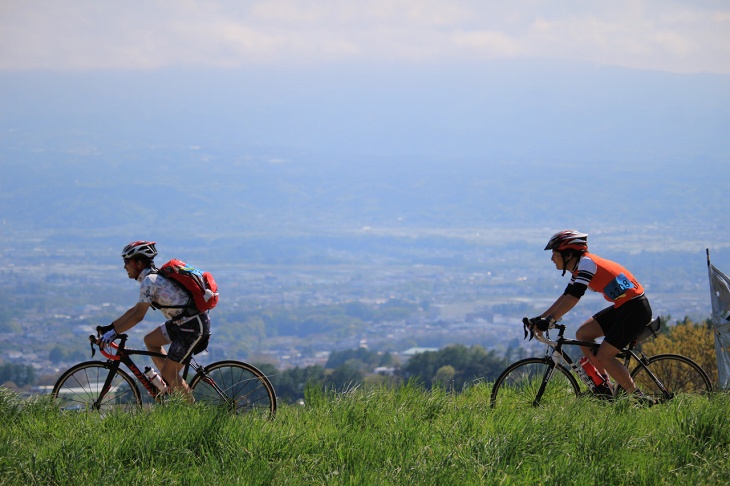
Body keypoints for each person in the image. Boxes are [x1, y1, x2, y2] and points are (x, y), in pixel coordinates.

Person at [529, 230, 652, 397]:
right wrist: (542, 318)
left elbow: (573, 297)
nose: (552, 259)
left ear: (568, 254)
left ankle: (638, 397)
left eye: (555, 254)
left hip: (635, 309)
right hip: (624, 306)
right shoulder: (579, 267)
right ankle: (605, 389)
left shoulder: (587, 264)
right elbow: (565, 296)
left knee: (605, 355)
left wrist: (550, 320)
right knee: (583, 334)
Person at [98, 241, 211, 400]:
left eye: (126, 262)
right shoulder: (152, 278)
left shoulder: (149, 281)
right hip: (184, 323)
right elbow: (135, 310)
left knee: (168, 372)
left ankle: (193, 413)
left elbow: (138, 316)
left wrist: (114, 333)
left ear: (138, 262)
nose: (124, 266)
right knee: (151, 340)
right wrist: (110, 327)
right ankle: (169, 385)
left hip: (191, 325)